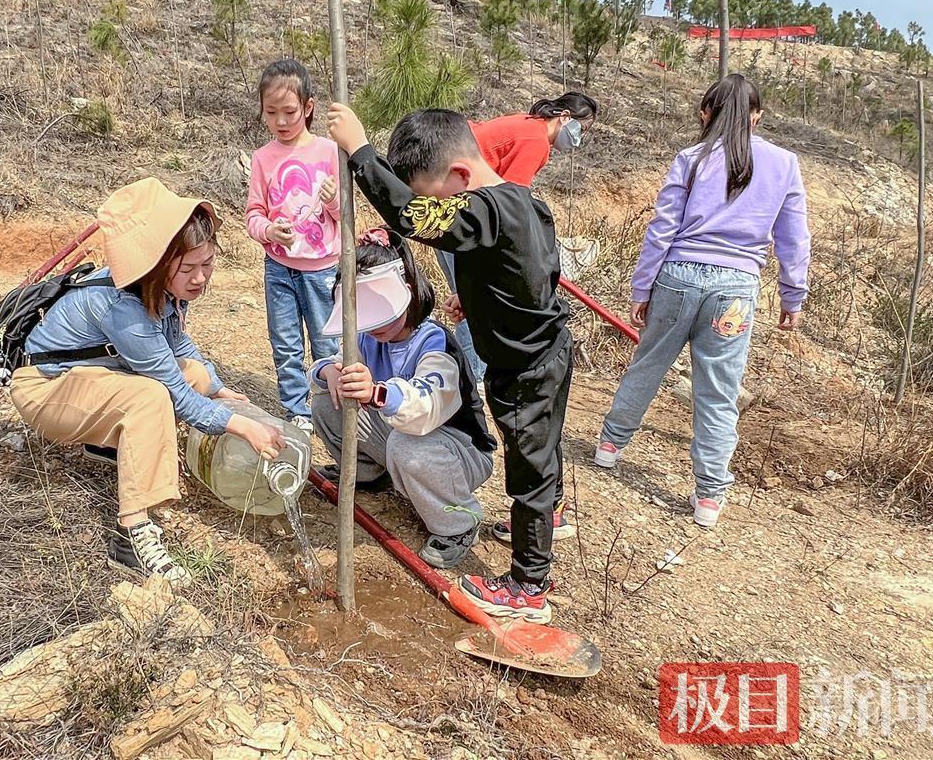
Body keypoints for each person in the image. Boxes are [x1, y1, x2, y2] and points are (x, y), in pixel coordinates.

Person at [328, 103, 572, 625]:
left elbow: (412, 219)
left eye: (434, 196)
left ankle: (529, 586)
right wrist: (481, 303)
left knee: (528, 466)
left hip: (528, 367)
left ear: (460, 176)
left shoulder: (485, 208)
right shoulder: (523, 204)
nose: (434, 210)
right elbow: (539, 271)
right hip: (538, 353)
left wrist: (360, 152)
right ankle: (549, 513)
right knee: (539, 450)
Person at [10, 178, 286, 581]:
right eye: (188, 269)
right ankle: (131, 534)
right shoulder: (124, 308)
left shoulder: (158, 292)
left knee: (193, 375)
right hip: (45, 389)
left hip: (89, 381)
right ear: (157, 266)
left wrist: (219, 387)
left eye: (207, 264)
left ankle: (116, 447)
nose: (200, 278)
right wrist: (242, 425)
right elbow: (173, 394)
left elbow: (181, 348)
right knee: (150, 397)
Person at [594, 75, 810, 528]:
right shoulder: (785, 163)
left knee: (649, 363)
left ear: (705, 113)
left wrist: (643, 286)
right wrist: (793, 295)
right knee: (718, 391)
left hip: (679, 277)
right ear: (757, 117)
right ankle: (709, 496)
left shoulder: (691, 159)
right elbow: (793, 238)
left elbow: (662, 228)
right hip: (735, 291)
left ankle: (610, 446)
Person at [310, 227, 497, 569]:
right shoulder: (368, 338)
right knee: (326, 402)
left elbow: (426, 406)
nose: (373, 324)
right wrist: (329, 372)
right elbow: (329, 364)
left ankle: (457, 523)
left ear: (406, 292)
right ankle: (369, 474)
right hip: (400, 438)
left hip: (456, 450)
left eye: (379, 309)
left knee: (405, 443)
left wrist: (378, 393)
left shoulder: (434, 340)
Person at [438, 92, 599, 385]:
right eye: (581, 129)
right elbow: (510, 204)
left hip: (453, 213)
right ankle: (470, 378)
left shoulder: (525, 126)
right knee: (473, 303)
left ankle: (466, 375)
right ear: (564, 117)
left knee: (467, 298)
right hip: (466, 219)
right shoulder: (535, 139)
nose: (579, 139)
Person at [246, 59, 342, 437]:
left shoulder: (330, 152)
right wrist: (270, 230)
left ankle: (328, 409)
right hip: (279, 269)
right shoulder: (262, 158)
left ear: (308, 107)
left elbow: (344, 216)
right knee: (285, 342)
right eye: (272, 113)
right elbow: (253, 214)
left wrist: (334, 202)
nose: (281, 121)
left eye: (289, 112)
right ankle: (296, 409)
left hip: (322, 269)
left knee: (326, 341)